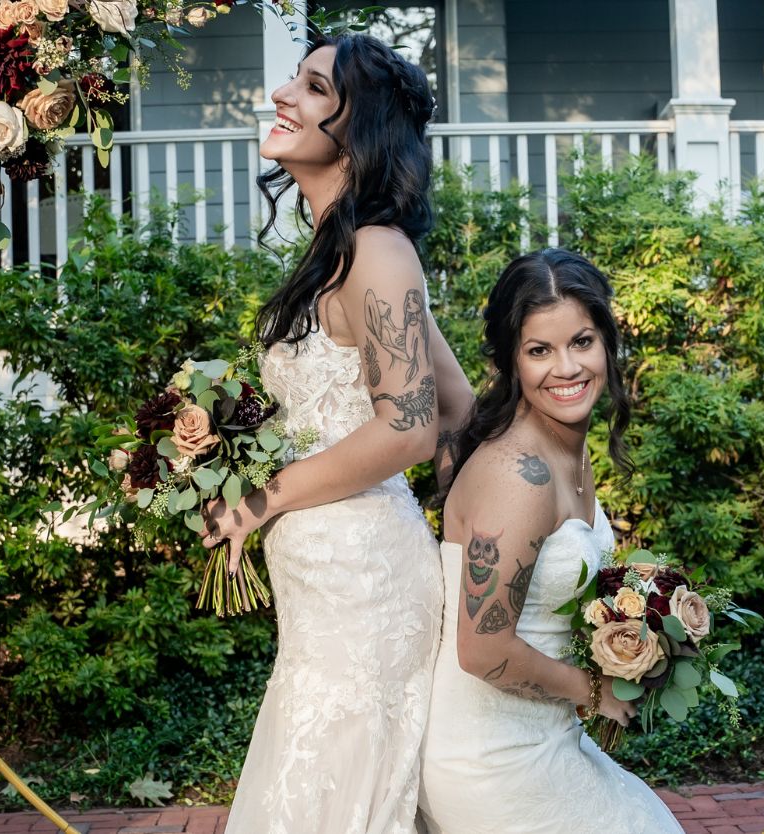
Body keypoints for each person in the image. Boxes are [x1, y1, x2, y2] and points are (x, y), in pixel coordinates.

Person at [198, 33, 472, 834]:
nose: (284, 94)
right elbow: (454, 403)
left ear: (361, 129)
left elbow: (408, 430)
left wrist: (255, 500)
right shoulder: (340, 250)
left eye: (315, 88)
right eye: (295, 78)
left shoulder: (378, 250)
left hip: (364, 585)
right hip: (326, 584)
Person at [417, 249, 686, 834]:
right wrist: (597, 690)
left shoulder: (564, 449)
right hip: (490, 761)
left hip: (545, 740)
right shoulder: (519, 476)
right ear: (514, 362)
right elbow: (483, 651)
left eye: (582, 342)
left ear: (607, 344)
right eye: (540, 350)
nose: (567, 368)